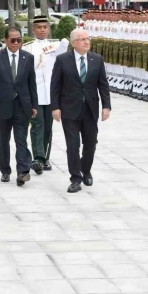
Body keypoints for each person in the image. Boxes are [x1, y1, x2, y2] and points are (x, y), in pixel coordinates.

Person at [51, 28, 112, 193]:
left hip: (90, 109)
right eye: (82, 39)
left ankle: (86, 170)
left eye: (88, 39)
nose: (86, 42)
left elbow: (103, 85)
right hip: (69, 109)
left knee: (90, 144)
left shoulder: (96, 59)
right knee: (72, 145)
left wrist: (106, 106)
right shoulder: (63, 60)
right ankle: (75, 178)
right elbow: (55, 85)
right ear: (73, 43)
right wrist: (55, 107)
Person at [0, 26, 38, 186]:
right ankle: (5, 171)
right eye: (13, 40)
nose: (16, 43)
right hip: (2, 105)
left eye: (19, 40)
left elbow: (31, 83)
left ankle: (23, 171)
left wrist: (34, 104)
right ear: (5, 40)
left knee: (21, 139)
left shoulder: (28, 58)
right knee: (3, 140)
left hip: (22, 105)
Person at [24, 15, 68, 174]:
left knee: (48, 127)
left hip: (51, 94)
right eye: (39, 27)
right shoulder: (27, 48)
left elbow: (63, 56)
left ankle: (45, 157)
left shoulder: (56, 45)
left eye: (45, 27)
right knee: (37, 125)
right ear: (33, 29)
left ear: (48, 28)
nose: (42, 30)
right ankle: (38, 158)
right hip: (35, 93)